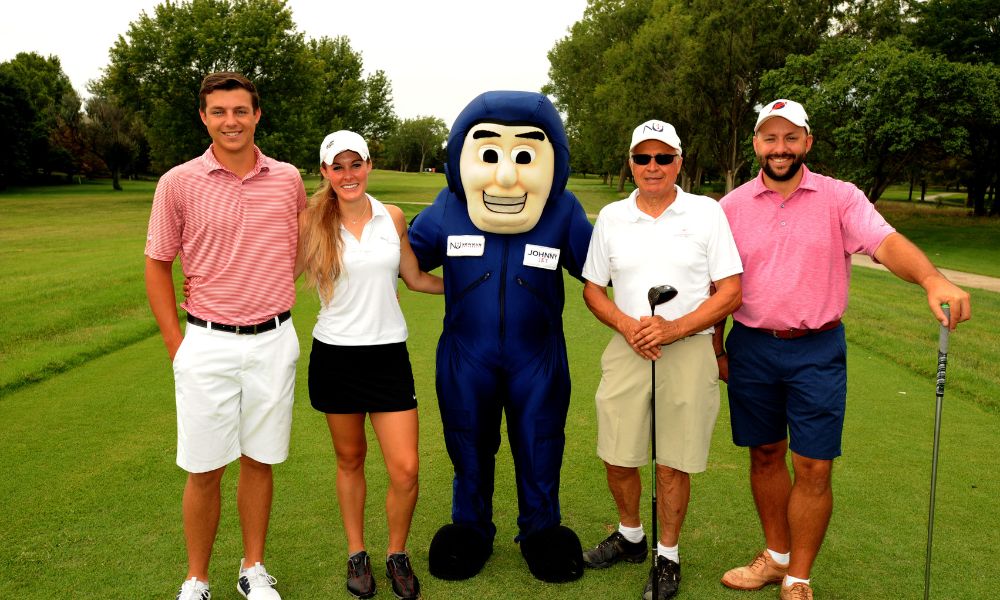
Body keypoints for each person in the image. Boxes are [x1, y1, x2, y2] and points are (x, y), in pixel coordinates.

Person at [717, 99, 972, 600]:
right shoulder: (730, 207)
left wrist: (931, 279)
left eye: (791, 138)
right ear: (756, 145)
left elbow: (886, 241)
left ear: (807, 142)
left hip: (817, 348)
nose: (780, 148)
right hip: (750, 346)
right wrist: (713, 347)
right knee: (765, 454)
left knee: (814, 464)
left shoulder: (841, 197)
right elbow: (715, 283)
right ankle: (776, 557)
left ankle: (798, 577)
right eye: (770, 138)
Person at [408, 91, 594, 584]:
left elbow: (605, 267)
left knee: (541, 442)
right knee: (467, 442)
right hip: (466, 355)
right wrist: (370, 223)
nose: (506, 175)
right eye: (488, 154)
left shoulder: (563, 211)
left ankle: (540, 529)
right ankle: (470, 526)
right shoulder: (448, 208)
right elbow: (400, 256)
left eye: (526, 156)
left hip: (539, 357)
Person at [145, 72, 305, 600]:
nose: (230, 121)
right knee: (204, 466)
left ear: (257, 114)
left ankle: (252, 568)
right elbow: (157, 264)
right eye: (219, 112)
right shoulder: (178, 182)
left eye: (240, 110)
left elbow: (301, 251)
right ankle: (197, 578)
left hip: (273, 339)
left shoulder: (287, 179)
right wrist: (177, 344)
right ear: (204, 117)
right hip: (206, 342)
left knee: (259, 460)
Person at [580, 119, 744, 600]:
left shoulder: (706, 213)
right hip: (630, 346)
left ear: (679, 161)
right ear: (631, 163)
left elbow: (730, 290)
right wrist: (629, 326)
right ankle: (631, 535)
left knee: (673, 461)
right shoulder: (612, 217)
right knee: (617, 452)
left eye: (663, 157)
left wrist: (675, 327)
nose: (653, 167)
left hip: (688, 348)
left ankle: (667, 555)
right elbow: (593, 289)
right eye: (643, 158)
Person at [299, 130, 443, 600]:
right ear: (325, 172)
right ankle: (356, 551)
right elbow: (274, 275)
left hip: (387, 357)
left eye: (355, 164)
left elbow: (416, 278)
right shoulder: (311, 222)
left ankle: (396, 553)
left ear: (368, 166)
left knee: (405, 469)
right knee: (351, 459)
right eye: (337, 167)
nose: (347, 175)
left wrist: (469, 288)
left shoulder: (392, 216)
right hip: (335, 356)